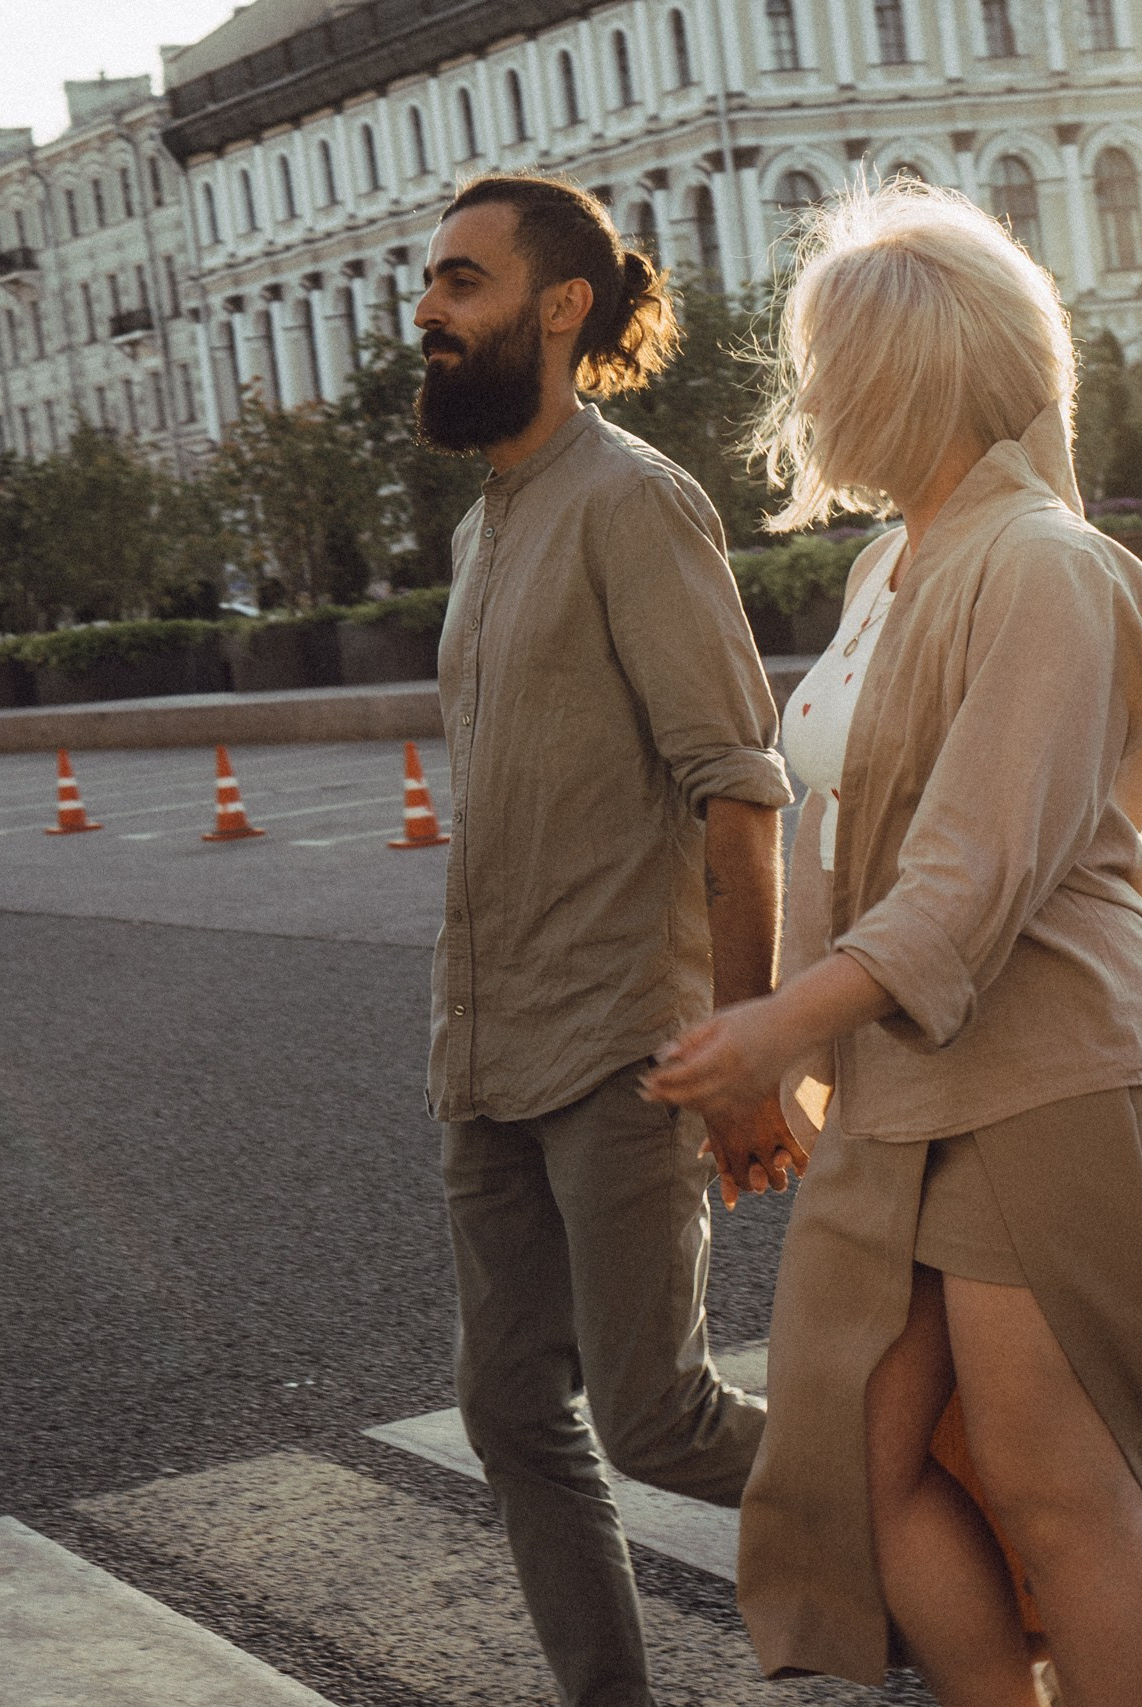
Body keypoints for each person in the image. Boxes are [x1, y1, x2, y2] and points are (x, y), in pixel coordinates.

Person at [643, 181, 1142, 1707]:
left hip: (1049, 1067)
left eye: (832, 362)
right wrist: (789, 1047)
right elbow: (860, 848)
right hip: (905, 1081)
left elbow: (980, 870)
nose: (812, 397)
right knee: (848, 1462)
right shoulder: (886, 569)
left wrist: (773, 1030)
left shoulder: (1039, 561)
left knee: (1055, 1484)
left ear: (912, 370)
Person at [411, 172, 805, 1707]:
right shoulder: (484, 528)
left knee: (658, 1418)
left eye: (461, 284)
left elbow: (738, 790)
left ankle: (957, 1530)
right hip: (486, 1045)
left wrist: (749, 1055)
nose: (428, 315)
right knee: (511, 1409)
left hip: (620, 1043)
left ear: (558, 307)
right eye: (430, 287)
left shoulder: (633, 499)